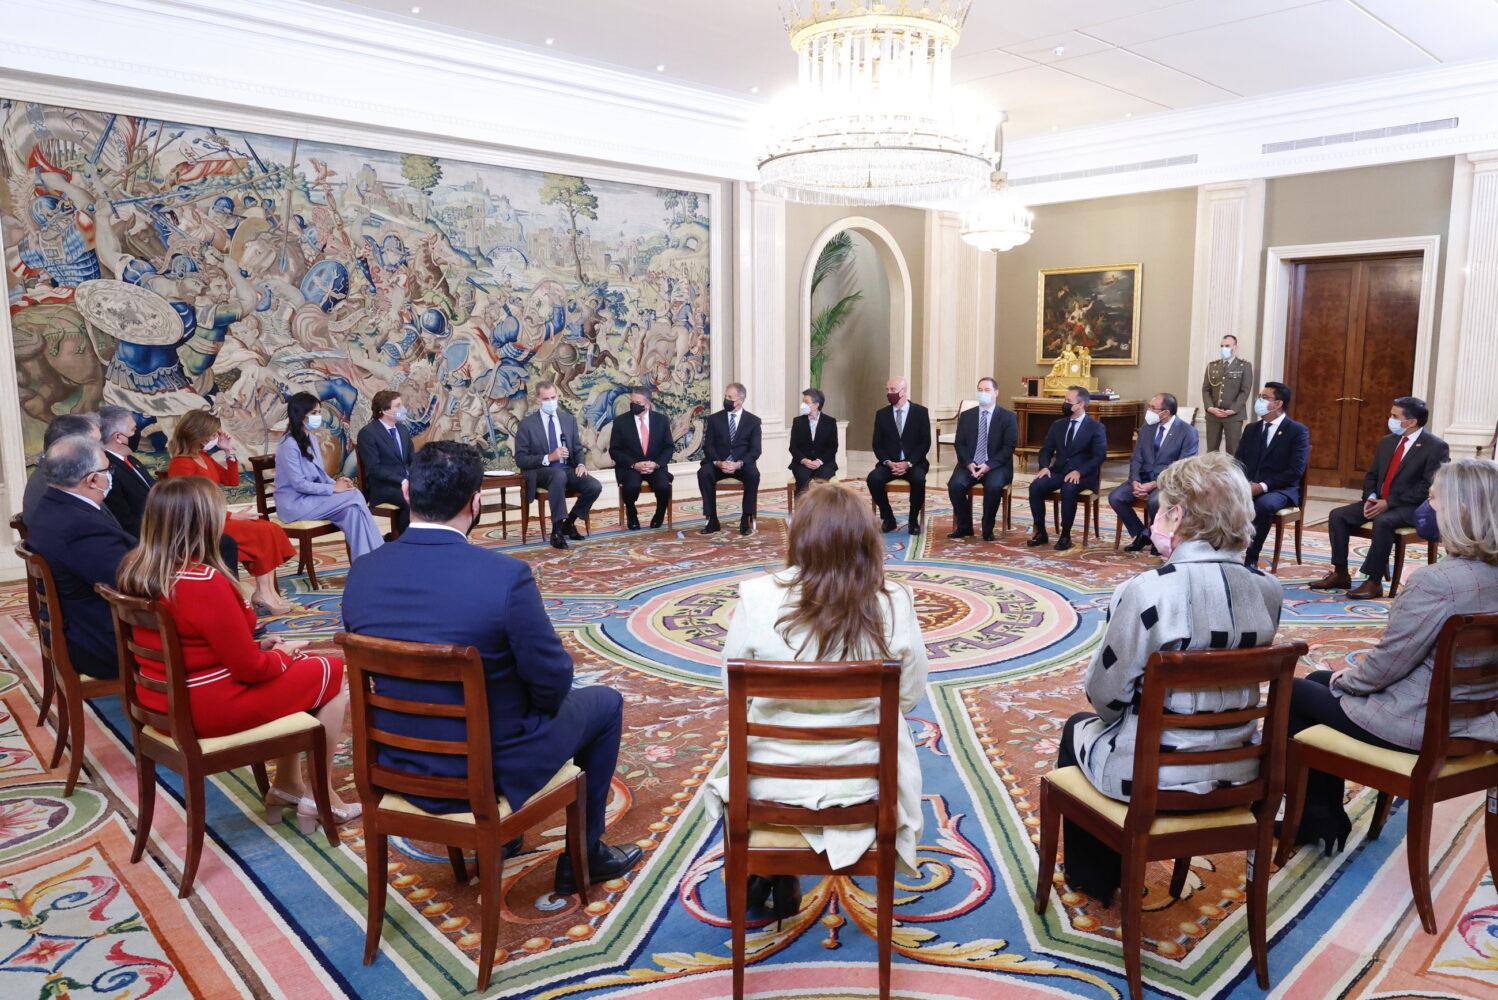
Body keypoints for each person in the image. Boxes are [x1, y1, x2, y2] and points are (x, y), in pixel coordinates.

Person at [342, 441, 642, 893]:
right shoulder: (505, 576)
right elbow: (553, 680)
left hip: (396, 761)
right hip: (487, 767)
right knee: (605, 704)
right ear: (476, 502)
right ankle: (585, 854)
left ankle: (509, 839)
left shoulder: (362, 572)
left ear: (406, 492)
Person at [1055, 452, 1284, 900]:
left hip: (1152, 775)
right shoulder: (1268, 589)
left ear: (1176, 516)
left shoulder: (1147, 590)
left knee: (1076, 728)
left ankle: (1095, 879)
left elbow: (1105, 696)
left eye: (1160, 508)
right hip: (1241, 767)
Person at [703, 481, 929, 918]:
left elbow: (732, 692)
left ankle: (770, 870)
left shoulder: (757, 595)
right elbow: (909, 695)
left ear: (799, 536)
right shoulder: (894, 600)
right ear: (866, 539)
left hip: (770, 779)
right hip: (864, 781)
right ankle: (776, 872)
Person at [115, 477, 356, 833]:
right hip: (205, 705)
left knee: (306, 668)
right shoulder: (202, 581)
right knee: (330, 670)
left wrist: (262, 649)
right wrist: (282, 655)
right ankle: (321, 795)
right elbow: (251, 670)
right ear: (203, 522)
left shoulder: (135, 569)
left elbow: (193, 643)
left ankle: (288, 784)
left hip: (162, 697)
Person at [1287, 458, 1498, 852]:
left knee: (1294, 692)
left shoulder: (1437, 581)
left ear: (1461, 509)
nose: (1426, 508)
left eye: (1433, 498)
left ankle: (1317, 818)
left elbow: (1387, 665)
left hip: (1420, 725)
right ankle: (1322, 816)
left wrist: (1344, 680)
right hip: (1477, 722)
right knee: (1316, 681)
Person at [1311, 397, 1449, 599]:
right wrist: (1371, 497)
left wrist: (1389, 503)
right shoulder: (1387, 442)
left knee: (1384, 521)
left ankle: (1373, 582)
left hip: (1411, 506)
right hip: (1379, 501)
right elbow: (1372, 475)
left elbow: (1427, 487)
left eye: (1395, 416)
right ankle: (1340, 573)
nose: (1390, 419)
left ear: (1411, 421)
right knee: (1338, 515)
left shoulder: (1436, 446)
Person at [165, 410, 300, 615]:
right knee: (262, 533)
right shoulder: (181, 463)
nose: (215, 437)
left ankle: (267, 592)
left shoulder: (203, 456)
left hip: (217, 518)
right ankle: (264, 594)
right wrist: (231, 516)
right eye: (212, 434)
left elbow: (231, 481)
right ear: (198, 434)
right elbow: (189, 505)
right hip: (202, 525)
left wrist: (229, 452)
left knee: (269, 528)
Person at [23, 435, 135, 679]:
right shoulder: (79, 526)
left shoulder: (53, 505)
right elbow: (131, 583)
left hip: (84, 625)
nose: (110, 476)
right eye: (108, 470)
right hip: (103, 641)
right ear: (92, 479)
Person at [100, 405, 241, 576]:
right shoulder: (109, 469)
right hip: (156, 537)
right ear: (118, 437)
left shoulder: (131, 461)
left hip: (167, 527)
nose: (137, 433)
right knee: (225, 543)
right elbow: (125, 518)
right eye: (133, 430)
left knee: (227, 542)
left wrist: (229, 451)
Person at [273, 392, 384, 560]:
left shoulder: (311, 438)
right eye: (314, 413)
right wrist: (333, 488)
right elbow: (299, 484)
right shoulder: (288, 445)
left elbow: (320, 474)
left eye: (319, 412)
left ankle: (365, 564)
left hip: (313, 500)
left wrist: (337, 482)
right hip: (295, 504)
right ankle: (380, 554)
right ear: (300, 415)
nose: (319, 417)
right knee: (354, 494)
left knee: (352, 511)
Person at [513, 380, 601, 550]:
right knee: (557, 475)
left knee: (594, 486)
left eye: (553, 397)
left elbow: (577, 448)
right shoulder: (526, 425)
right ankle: (557, 531)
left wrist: (581, 464)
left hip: (567, 469)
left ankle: (570, 522)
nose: (551, 402)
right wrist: (549, 457)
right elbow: (521, 459)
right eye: (546, 399)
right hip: (541, 471)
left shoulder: (568, 420)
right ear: (538, 400)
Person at [1233, 381, 1310, 568]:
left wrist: (1262, 486)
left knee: (1264, 505)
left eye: (1264, 397)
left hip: (1280, 489)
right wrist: (1240, 483)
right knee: (1217, 497)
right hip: (1249, 485)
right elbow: (1238, 462)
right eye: (1259, 397)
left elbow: (1295, 471)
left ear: (1278, 404)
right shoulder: (1251, 429)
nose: (1259, 401)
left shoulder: (1297, 431)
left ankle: (1251, 557)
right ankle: (1221, 551)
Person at [1110, 393, 1200, 553]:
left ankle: (1157, 538)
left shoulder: (1188, 432)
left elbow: (1182, 467)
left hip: (1168, 482)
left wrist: (1154, 484)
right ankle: (1143, 534)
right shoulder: (1147, 428)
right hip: (1143, 477)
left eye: (1153, 408)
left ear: (1165, 412)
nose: (1149, 411)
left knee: (1155, 501)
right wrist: (1135, 481)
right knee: (1116, 497)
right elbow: (1136, 458)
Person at [1027, 386, 1106, 551]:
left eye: (1068, 401)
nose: (1064, 403)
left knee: (1068, 488)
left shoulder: (1095, 427)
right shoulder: (1058, 425)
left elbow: (1099, 456)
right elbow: (1046, 449)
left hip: (1083, 475)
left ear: (1080, 404)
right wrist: (1044, 467)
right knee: (1036, 486)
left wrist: (1079, 471)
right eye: (1064, 400)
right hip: (1059, 471)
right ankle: (1040, 531)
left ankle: (1065, 535)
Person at [946, 377, 1017, 541]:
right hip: (970, 464)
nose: (982, 393)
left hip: (997, 465)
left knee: (993, 486)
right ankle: (965, 527)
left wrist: (988, 465)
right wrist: (968, 463)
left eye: (987, 390)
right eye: (980, 390)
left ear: (996, 393)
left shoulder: (1008, 417)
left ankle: (987, 528)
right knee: (955, 485)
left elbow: (1008, 448)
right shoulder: (966, 416)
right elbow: (960, 443)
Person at [697, 382, 762, 536]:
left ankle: (746, 518)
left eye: (730, 397)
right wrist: (719, 462)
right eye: (725, 396)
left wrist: (738, 464)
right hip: (719, 463)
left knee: (753, 474)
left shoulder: (753, 421)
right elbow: (708, 446)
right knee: (704, 473)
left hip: (741, 464)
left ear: (740, 401)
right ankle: (712, 519)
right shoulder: (714, 419)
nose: (726, 399)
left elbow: (755, 450)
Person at [867, 376, 930, 535]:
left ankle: (913, 520)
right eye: (887, 390)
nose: (889, 393)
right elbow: (877, 444)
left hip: (914, 463)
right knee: (873, 479)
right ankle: (888, 518)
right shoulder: (881, 414)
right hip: (890, 464)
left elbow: (925, 443)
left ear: (904, 391)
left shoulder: (921, 412)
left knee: (919, 480)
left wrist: (908, 463)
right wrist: (888, 462)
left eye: (893, 390)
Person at [609, 387, 674, 531]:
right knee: (631, 486)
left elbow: (669, 447)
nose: (634, 405)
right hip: (630, 466)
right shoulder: (620, 422)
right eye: (632, 401)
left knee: (663, 486)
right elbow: (614, 450)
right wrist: (633, 464)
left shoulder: (662, 420)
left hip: (654, 465)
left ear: (648, 404)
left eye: (638, 403)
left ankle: (659, 514)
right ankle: (631, 514)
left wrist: (656, 464)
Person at [355, 389, 415, 535]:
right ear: (385, 410)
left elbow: (412, 459)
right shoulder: (368, 433)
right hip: (384, 488)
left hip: (407, 483)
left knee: (433, 492)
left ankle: (401, 537)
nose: (403, 408)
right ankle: (402, 538)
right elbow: (374, 468)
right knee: (414, 498)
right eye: (398, 405)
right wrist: (402, 480)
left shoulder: (403, 430)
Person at [22, 413, 100, 524]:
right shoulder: (59, 486)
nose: (103, 450)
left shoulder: (56, 473)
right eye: (96, 444)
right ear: (71, 448)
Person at [1202, 334, 1253, 453]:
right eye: (1222, 346)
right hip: (1213, 415)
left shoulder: (1244, 366)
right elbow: (1206, 389)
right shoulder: (1212, 366)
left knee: (1233, 450)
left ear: (1235, 347)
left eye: (1227, 346)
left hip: (1233, 415)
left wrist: (1233, 410)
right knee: (1211, 450)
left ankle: (1230, 468)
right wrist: (1210, 408)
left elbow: (1245, 391)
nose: (1223, 348)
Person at [788, 387, 837, 496]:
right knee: (803, 478)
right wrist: (804, 460)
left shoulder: (830, 422)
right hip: (803, 463)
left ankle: (822, 506)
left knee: (823, 478)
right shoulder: (798, 422)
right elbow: (793, 447)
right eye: (803, 402)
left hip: (824, 463)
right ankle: (802, 506)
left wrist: (819, 461)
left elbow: (833, 447)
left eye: (806, 402)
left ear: (816, 405)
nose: (802, 405)